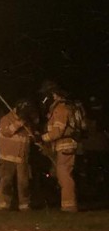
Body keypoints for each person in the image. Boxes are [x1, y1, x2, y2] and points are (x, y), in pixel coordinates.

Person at [39, 81, 78, 212]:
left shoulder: (60, 109)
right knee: (60, 174)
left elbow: (58, 131)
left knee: (64, 175)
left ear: (54, 94)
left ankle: (69, 206)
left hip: (64, 146)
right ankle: (66, 204)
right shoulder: (61, 108)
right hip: (61, 146)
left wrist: (43, 137)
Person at [0, 99, 36, 211]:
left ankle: (24, 205)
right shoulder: (6, 119)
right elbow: (6, 132)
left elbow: (29, 136)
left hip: (22, 157)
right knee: (6, 180)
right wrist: (19, 123)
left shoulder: (28, 121)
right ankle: (3, 204)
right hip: (8, 156)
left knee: (24, 182)